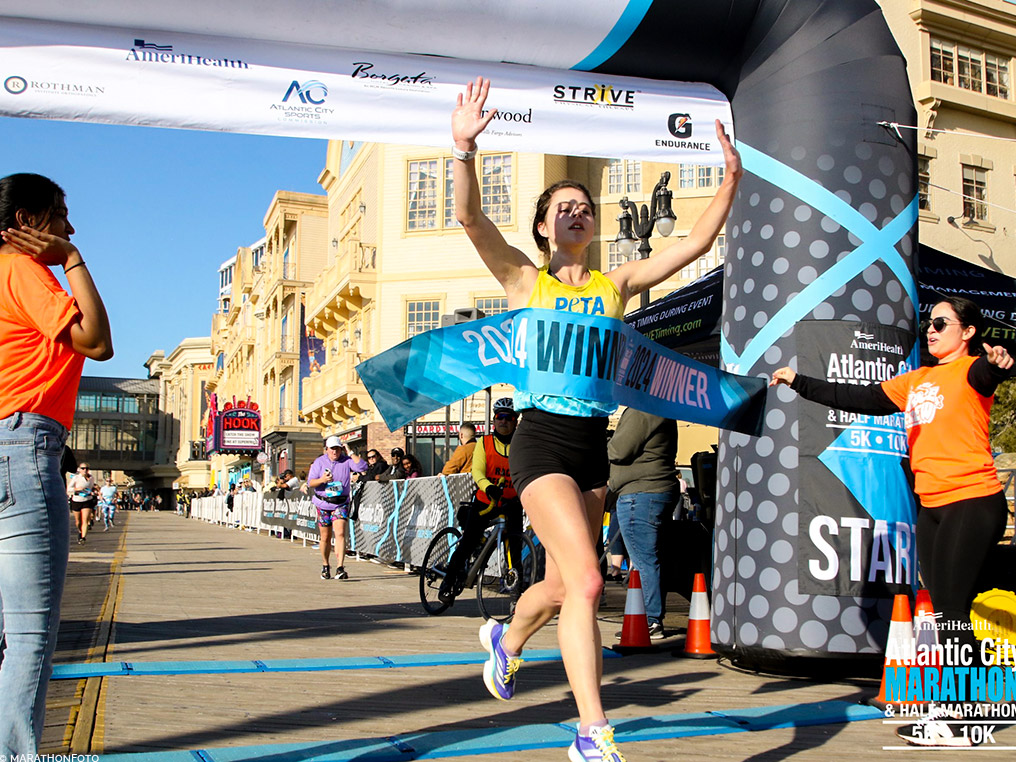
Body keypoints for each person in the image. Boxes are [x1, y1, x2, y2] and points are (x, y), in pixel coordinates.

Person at [452, 76, 741, 761]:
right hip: (541, 438)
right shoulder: (528, 280)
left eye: (585, 206)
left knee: (559, 583)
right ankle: (593, 732)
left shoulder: (618, 283)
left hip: (592, 447)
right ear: (546, 225)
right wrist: (464, 148)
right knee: (586, 581)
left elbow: (695, 245)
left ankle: (508, 637)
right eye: (565, 207)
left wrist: (730, 179)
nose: (578, 213)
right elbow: (469, 220)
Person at [770, 296, 1014, 748]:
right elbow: (856, 397)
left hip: (973, 501)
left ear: (968, 332)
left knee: (954, 614)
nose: (931, 329)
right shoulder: (916, 380)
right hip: (933, 506)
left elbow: (990, 373)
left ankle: (963, 722)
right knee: (946, 615)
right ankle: (975, 707)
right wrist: (798, 381)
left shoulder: (973, 371)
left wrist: (999, 365)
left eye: (942, 323)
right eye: (929, 322)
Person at [0, 172, 113, 757]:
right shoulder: (21, 269)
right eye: (59, 215)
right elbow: (96, 341)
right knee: (29, 634)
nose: (69, 226)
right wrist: (71, 258)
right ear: (25, 221)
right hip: (21, 447)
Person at [439, 398, 522, 604]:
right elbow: (477, 471)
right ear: (494, 420)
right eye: (499, 417)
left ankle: (516, 594)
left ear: (515, 421)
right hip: (486, 500)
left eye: (509, 417)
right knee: (468, 542)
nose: (504, 421)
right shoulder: (484, 443)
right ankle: (448, 582)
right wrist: (488, 487)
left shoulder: (521, 445)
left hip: (511, 502)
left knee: (515, 548)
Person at [608, 409, 678, 639]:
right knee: (652, 559)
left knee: (644, 559)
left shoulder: (641, 409)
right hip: (655, 490)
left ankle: (649, 619)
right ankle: (650, 617)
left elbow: (619, 450)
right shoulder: (660, 409)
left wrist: (605, 443)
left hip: (640, 492)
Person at [307, 436, 366, 580]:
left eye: (338, 448)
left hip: (340, 503)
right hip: (323, 502)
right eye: (332, 449)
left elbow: (363, 467)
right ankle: (325, 565)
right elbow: (311, 482)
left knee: (340, 533)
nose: (335, 452)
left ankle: (340, 567)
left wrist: (350, 452)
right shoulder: (319, 462)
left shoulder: (346, 460)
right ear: (326, 449)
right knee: (325, 537)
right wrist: (323, 480)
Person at [67, 462, 97, 544]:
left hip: (87, 500)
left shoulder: (91, 478)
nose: (85, 470)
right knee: (78, 521)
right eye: (83, 468)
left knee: (85, 520)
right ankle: (80, 532)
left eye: (87, 468)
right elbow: (69, 489)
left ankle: (83, 538)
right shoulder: (76, 478)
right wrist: (77, 489)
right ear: (79, 469)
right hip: (77, 500)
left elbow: (91, 488)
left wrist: (93, 491)